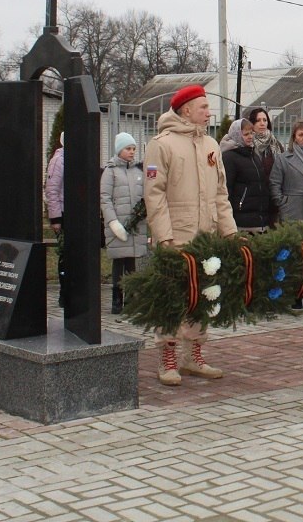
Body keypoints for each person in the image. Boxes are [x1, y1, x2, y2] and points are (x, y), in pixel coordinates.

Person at [143, 85, 237, 386]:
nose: (209, 113)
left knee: (203, 295)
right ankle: (168, 357)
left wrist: (230, 231)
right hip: (177, 235)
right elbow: (153, 194)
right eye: (203, 108)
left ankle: (193, 355)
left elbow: (221, 193)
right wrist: (164, 236)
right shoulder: (162, 144)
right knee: (172, 296)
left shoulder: (211, 144)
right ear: (186, 111)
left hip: (206, 235)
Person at [100, 132, 148, 315]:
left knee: (131, 264)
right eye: (128, 148)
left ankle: (131, 299)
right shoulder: (110, 171)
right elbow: (105, 199)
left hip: (134, 226)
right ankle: (116, 300)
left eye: (134, 149)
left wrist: (142, 214)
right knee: (119, 264)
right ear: (119, 150)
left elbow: (144, 195)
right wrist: (113, 222)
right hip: (119, 226)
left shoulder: (138, 171)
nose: (132, 152)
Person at [221, 119, 273, 233]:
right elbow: (226, 190)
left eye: (251, 133)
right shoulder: (229, 157)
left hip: (260, 221)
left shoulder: (254, 155)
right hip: (242, 222)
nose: (250, 137)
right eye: (246, 134)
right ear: (236, 135)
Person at [45, 132, 66, 304]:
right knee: (65, 254)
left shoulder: (79, 156)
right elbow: (51, 190)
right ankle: (64, 293)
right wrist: (55, 218)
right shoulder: (58, 161)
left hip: (78, 213)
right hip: (64, 213)